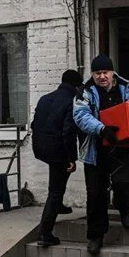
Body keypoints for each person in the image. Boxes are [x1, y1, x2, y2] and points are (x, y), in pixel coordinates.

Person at [72, 54, 129, 255]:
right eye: (97, 73)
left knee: (124, 184)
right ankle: (96, 236)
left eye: (105, 72)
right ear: (93, 74)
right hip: (96, 152)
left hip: (123, 149)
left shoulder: (126, 87)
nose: (101, 76)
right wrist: (102, 129)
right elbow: (80, 116)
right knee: (95, 194)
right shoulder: (85, 91)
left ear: (112, 72)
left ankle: (124, 208)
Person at [31, 69, 83, 247]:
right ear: (77, 85)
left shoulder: (45, 98)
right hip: (58, 150)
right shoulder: (72, 100)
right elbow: (68, 132)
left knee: (56, 180)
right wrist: (71, 158)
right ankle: (45, 233)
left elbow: (34, 124)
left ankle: (58, 205)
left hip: (40, 148)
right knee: (56, 189)